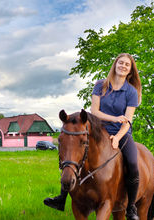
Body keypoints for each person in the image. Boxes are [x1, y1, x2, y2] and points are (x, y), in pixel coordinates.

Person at [44, 53, 142, 220]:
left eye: (127, 65)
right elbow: (94, 111)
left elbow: (127, 121)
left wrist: (117, 137)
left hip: (121, 133)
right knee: (74, 153)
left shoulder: (131, 92)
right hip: (98, 130)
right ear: (115, 65)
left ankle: (131, 207)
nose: (123, 66)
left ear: (130, 71)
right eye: (121, 63)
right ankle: (61, 198)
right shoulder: (100, 85)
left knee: (133, 163)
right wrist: (113, 118)